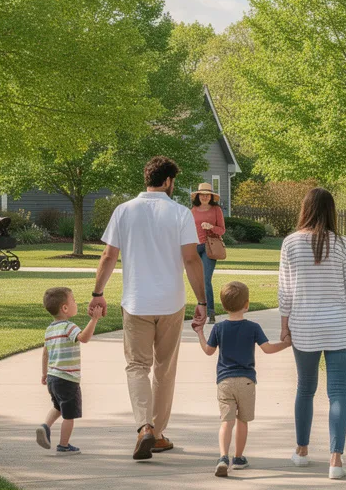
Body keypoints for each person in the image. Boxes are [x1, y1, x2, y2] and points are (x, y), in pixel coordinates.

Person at [89, 156, 208, 461]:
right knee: (164, 368)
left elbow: (108, 256)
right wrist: (203, 301)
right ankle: (157, 433)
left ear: (147, 178)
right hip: (171, 302)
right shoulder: (181, 213)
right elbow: (192, 260)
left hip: (136, 301)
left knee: (137, 366)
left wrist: (97, 293)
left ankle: (145, 427)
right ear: (168, 181)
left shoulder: (124, 210)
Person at [278, 187, 346, 480]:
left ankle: (302, 451)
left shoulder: (290, 244)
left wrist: (284, 327)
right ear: (332, 210)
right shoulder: (344, 244)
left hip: (304, 326)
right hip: (340, 328)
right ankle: (335, 460)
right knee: (338, 393)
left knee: (305, 388)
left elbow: (285, 291)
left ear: (305, 209)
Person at [194, 281, 292, 477]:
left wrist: (200, 333)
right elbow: (267, 349)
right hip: (246, 381)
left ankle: (223, 457)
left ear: (223, 305)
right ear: (246, 304)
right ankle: (238, 457)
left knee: (226, 421)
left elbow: (208, 351)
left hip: (225, 382)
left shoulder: (219, 328)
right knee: (242, 421)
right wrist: (286, 344)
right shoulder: (253, 327)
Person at [36, 287, 99, 455]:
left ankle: (45, 426)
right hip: (67, 378)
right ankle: (64, 445)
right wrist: (94, 320)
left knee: (58, 406)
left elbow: (45, 353)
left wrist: (44, 374)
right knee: (69, 414)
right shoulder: (68, 327)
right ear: (65, 308)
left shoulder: (50, 329)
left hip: (52, 377)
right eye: (74, 301)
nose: (76, 304)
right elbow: (84, 338)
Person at [191, 182, 226, 320]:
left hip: (209, 247)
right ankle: (200, 309)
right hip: (194, 247)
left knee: (206, 280)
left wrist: (211, 226)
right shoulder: (192, 211)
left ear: (211, 197)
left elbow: (222, 230)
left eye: (207, 195)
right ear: (198, 196)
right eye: (202, 195)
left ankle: (210, 312)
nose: (204, 197)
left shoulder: (216, 210)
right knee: (196, 281)